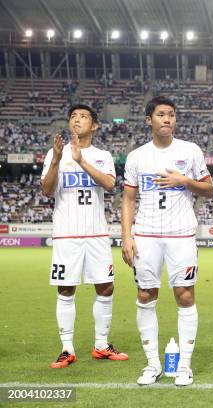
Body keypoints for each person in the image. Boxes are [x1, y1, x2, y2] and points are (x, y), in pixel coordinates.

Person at [121, 96, 213, 386]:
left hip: (181, 234)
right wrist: (126, 236)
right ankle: (152, 365)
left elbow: (209, 189)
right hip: (146, 235)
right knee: (146, 296)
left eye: (171, 114)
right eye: (161, 114)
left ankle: (184, 366)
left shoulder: (190, 151)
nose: (167, 119)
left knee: (184, 296)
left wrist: (184, 181)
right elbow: (128, 198)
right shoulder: (137, 156)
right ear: (149, 120)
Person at [41, 104, 128, 369]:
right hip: (67, 234)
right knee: (66, 289)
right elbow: (46, 190)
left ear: (95, 125)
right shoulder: (55, 153)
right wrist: (57, 160)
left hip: (97, 233)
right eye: (73, 117)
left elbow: (110, 184)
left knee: (106, 286)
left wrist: (81, 160)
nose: (77, 120)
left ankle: (101, 345)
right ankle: (67, 349)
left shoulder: (102, 155)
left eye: (83, 117)